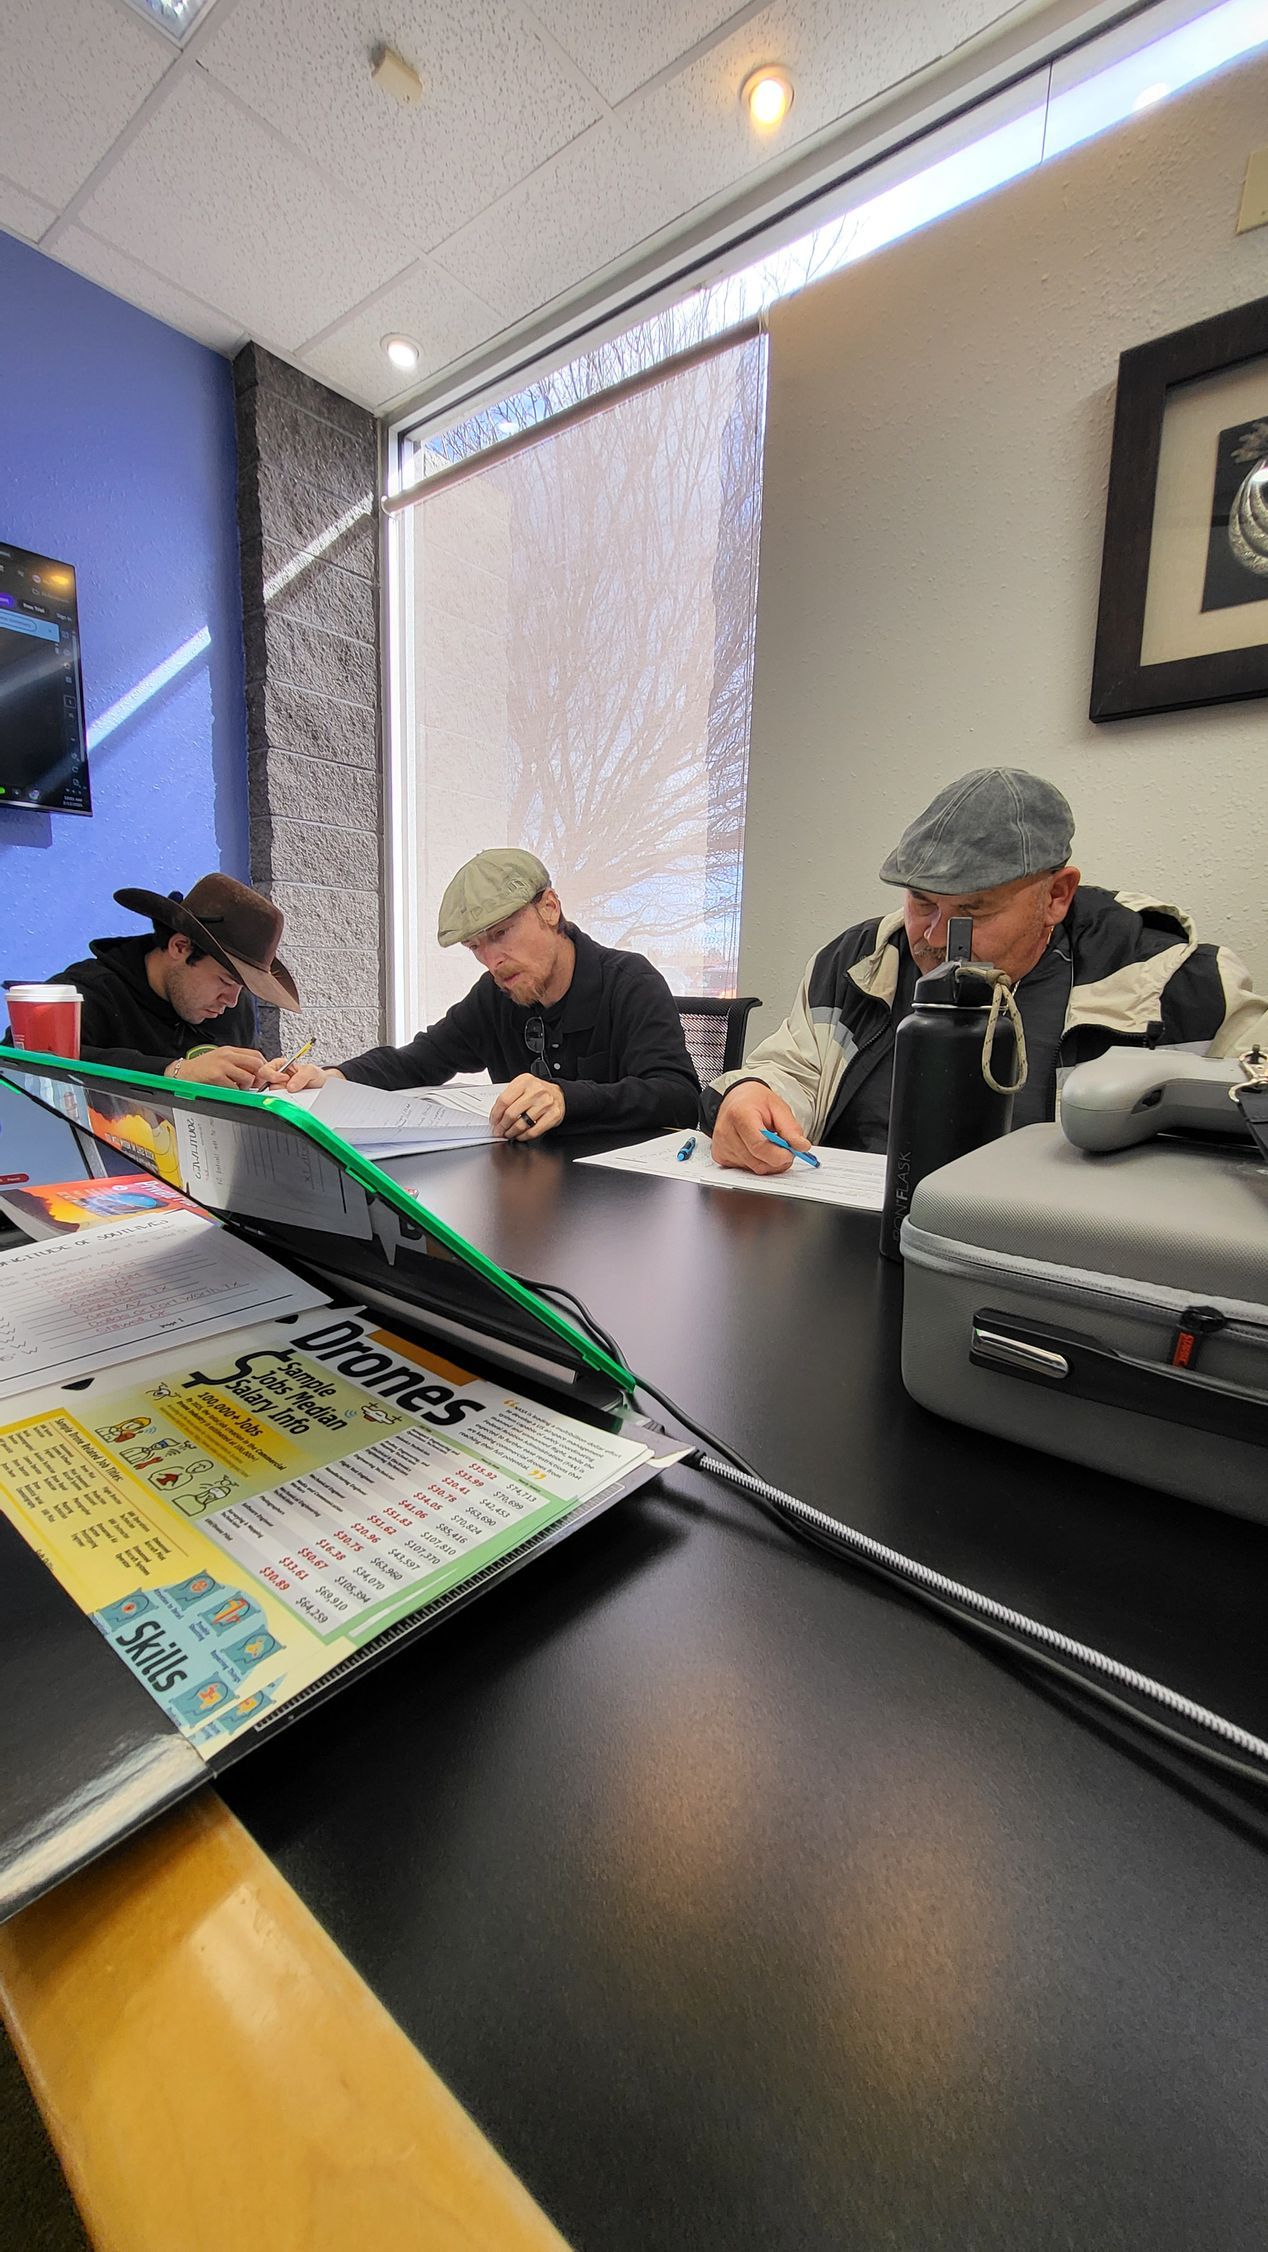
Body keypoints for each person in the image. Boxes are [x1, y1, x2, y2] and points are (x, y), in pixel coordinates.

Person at [703, 767, 1268, 1174]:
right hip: (855, 1235)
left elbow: (1249, 1125)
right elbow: (793, 1069)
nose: (935, 938)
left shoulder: (1182, 987)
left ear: (1056, 895)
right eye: (923, 901)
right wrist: (752, 1095)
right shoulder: (855, 963)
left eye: (973, 911)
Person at [286, 848, 699, 1139]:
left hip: (619, 1204)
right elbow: (419, 1060)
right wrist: (335, 1077)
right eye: (475, 947)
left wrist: (566, 1098)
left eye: (501, 934)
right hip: (530, 1196)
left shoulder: (630, 982)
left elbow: (678, 1097)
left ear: (549, 908)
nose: (492, 960)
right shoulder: (496, 995)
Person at [35, 874, 301, 1086]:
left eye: (242, 988)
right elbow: (28, 1064)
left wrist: (264, 1080)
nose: (231, 1001)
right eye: (225, 981)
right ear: (180, 947)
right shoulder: (88, 992)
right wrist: (172, 1072)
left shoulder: (235, 1007)